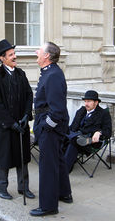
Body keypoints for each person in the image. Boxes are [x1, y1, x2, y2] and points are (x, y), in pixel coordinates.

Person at [0, 39, 35, 200]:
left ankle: (24, 187)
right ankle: (0, 187)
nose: (15, 57)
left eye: (14, 54)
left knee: (23, 157)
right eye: (11, 54)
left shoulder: (21, 74)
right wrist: (10, 123)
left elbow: (29, 95)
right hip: (5, 127)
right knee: (4, 157)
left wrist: (25, 116)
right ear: (2, 58)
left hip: (21, 124)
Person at [30, 42, 72, 217]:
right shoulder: (49, 72)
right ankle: (64, 193)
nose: (36, 51)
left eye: (40, 49)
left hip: (50, 125)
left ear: (47, 56)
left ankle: (48, 206)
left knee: (47, 166)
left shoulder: (53, 74)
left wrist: (47, 126)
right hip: (46, 122)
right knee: (58, 159)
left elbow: (57, 109)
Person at [64, 90, 112, 173]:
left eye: (89, 101)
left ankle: (64, 170)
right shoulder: (81, 111)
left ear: (96, 102)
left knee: (74, 141)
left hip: (92, 140)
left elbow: (108, 131)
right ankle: (57, 164)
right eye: (85, 101)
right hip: (77, 135)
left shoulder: (103, 113)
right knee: (60, 136)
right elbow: (72, 127)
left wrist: (99, 132)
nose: (86, 104)